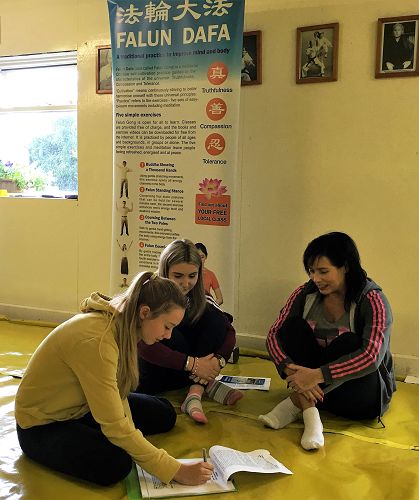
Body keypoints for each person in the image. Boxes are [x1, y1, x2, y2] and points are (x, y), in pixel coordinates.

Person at [15, 271, 214, 486]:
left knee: (164, 413)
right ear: (145, 312)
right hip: (42, 425)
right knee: (116, 463)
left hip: (81, 406)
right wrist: (174, 469)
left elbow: (119, 396)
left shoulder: (124, 325)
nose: (168, 335)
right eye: (167, 326)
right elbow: (115, 426)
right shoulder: (97, 341)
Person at [259, 232, 395, 451]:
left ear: (346, 267)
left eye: (323, 271)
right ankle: (310, 411)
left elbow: (372, 356)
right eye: (312, 271)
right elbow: (274, 335)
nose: (316, 279)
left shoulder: (373, 300)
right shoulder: (304, 294)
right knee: (292, 328)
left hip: (360, 398)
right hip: (319, 390)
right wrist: (291, 371)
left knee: (349, 343)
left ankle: (297, 402)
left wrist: (316, 376)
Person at [137, 239, 242, 424]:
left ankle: (196, 389)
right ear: (165, 271)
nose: (185, 283)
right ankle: (205, 382)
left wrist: (217, 362)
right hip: (155, 373)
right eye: (178, 276)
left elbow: (228, 331)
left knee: (215, 318)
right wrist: (192, 364)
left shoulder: (201, 298)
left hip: (188, 371)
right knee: (170, 333)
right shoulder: (150, 295)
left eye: (192, 276)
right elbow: (143, 345)